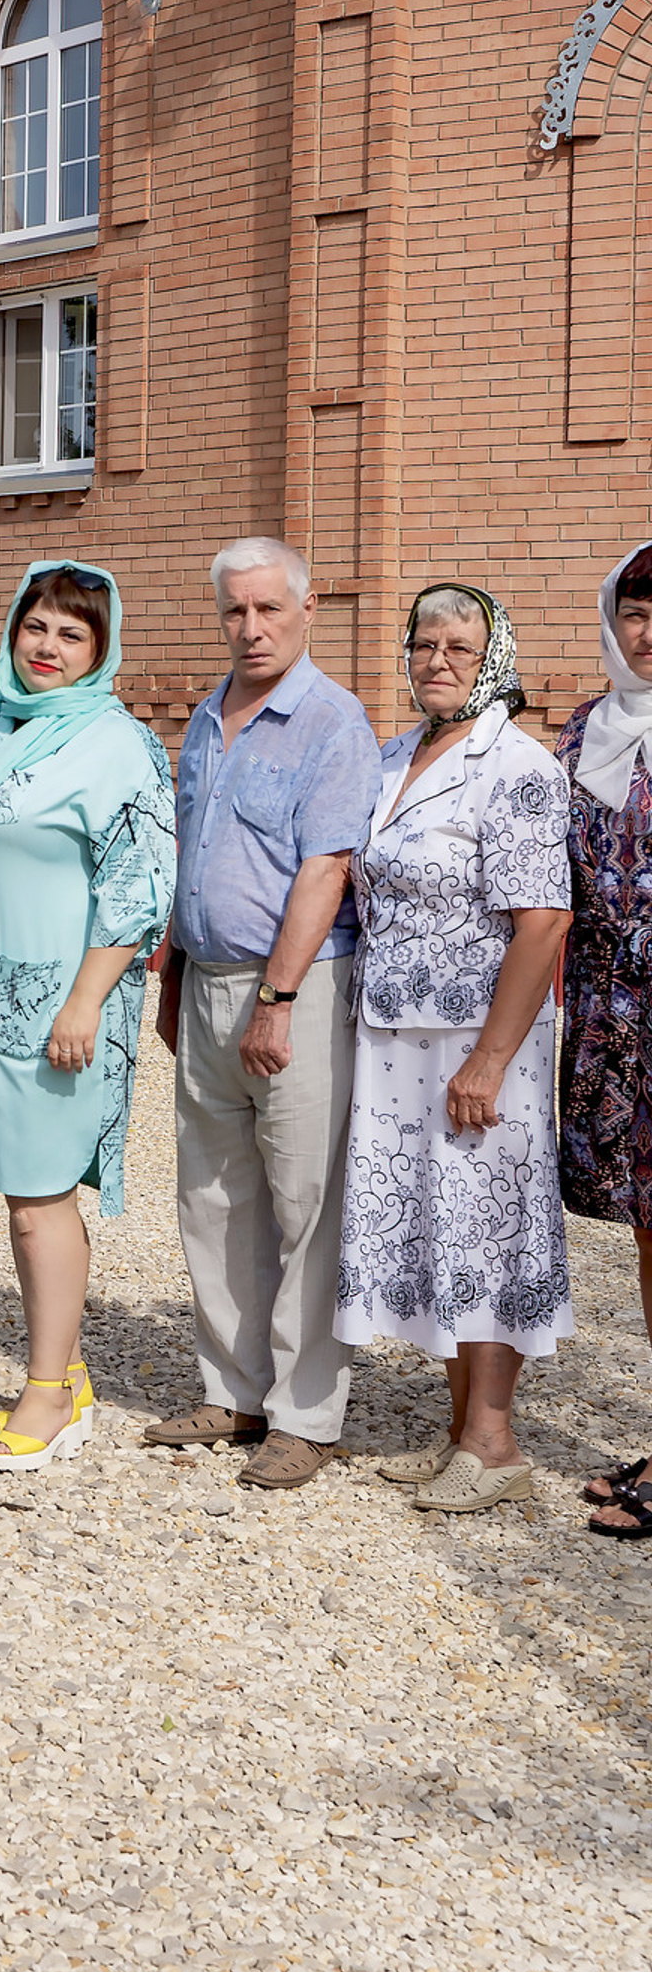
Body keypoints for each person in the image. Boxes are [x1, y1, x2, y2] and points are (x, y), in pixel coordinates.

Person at [0, 563, 176, 1474]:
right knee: (21, 1196)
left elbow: (139, 885)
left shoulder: (118, 744)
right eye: (36, 627)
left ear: (101, 650)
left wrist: (86, 1001)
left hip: (55, 1003)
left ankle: (50, 1393)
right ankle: (69, 1370)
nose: (47, 647)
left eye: (71, 634)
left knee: (38, 1199)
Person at [150, 539, 382, 1490]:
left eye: (268, 610)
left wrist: (277, 1001)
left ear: (307, 609)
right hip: (207, 980)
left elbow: (326, 871)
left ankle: (305, 1413)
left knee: (304, 1203)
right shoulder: (209, 716)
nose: (250, 628)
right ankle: (234, 1390)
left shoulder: (333, 722)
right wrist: (174, 979)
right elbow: (191, 859)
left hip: (296, 988)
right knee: (213, 1197)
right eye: (235, 611)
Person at [340, 585, 572, 1514]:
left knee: (487, 1228)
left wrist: (490, 1059)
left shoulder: (517, 765)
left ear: (494, 658)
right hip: (396, 1037)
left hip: (480, 1041)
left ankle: (495, 1441)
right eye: (423, 644)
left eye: (459, 648)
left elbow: (543, 922)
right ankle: (457, 1432)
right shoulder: (395, 755)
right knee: (436, 1223)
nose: (437, 661)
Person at [560, 542, 652, 1540]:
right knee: (647, 1233)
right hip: (609, 1014)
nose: (649, 631)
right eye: (635, 611)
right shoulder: (587, 728)